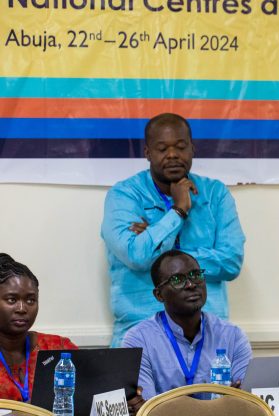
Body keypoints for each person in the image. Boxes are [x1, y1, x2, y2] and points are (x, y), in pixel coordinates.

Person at [101, 113, 245, 347]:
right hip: (140, 333)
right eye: (162, 148)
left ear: (192, 149)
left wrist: (164, 249)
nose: (172, 155)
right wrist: (178, 211)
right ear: (147, 153)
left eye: (180, 147)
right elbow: (137, 256)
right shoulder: (124, 196)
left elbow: (231, 262)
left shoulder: (215, 194)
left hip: (207, 336)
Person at [122, 250, 251, 412]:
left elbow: (248, 401)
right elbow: (148, 409)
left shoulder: (232, 336)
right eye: (177, 279)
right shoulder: (139, 340)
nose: (191, 284)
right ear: (159, 295)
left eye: (195, 275)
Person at [0, 254, 77, 402]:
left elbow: (93, 387)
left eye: (30, 300)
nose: (22, 308)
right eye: (12, 300)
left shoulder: (58, 348)